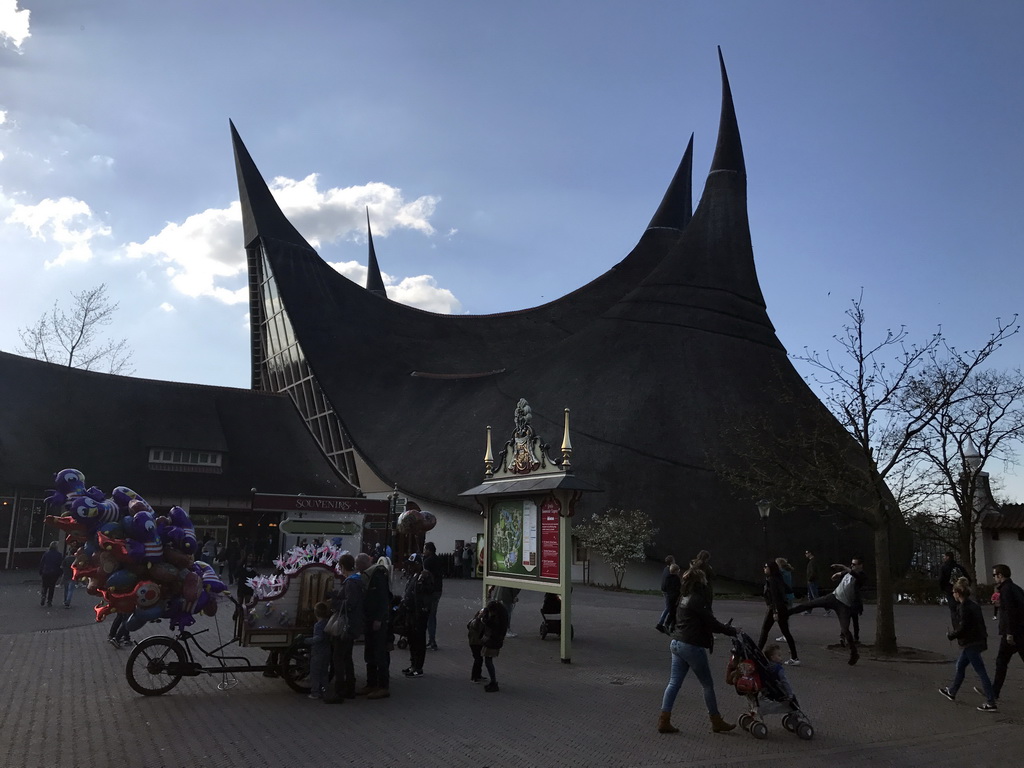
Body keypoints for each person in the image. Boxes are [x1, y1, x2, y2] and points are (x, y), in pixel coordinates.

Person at [658, 562, 738, 735]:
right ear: (699, 581)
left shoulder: (683, 597)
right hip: (691, 645)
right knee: (707, 684)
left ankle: (664, 719)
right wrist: (731, 630)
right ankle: (716, 720)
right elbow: (711, 622)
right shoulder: (698, 599)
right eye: (703, 579)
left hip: (677, 643)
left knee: (673, 683)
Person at [939, 577, 997, 711]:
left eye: (954, 592)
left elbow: (963, 627)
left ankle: (991, 701)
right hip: (977, 640)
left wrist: (951, 635)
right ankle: (952, 691)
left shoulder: (964, 607)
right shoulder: (973, 605)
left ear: (958, 593)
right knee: (960, 665)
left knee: (980, 671)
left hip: (971, 642)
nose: (953, 595)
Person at [788, 561, 859, 665]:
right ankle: (787, 613)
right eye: (851, 564)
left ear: (860, 565)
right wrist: (837, 574)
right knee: (811, 603)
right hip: (834, 597)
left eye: (854, 564)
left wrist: (841, 566)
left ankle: (854, 653)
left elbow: (854, 574)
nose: (852, 566)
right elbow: (844, 573)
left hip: (844, 605)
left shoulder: (861, 575)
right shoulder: (847, 572)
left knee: (845, 629)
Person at [324, 553, 364, 703]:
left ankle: (340, 691)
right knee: (346, 657)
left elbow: (350, 604)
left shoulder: (351, 583)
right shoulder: (354, 581)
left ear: (342, 566)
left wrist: (334, 602)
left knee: (338, 657)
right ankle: (350, 688)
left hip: (346, 625)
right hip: (352, 624)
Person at [356, 552, 392, 699]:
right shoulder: (369, 575)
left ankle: (383, 686)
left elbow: (384, 599)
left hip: (378, 622)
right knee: (369, 652)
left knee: (379, 653)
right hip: (369, 620)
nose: (357, 568)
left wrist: (379, 618)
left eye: (358, 565)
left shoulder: (377, 575)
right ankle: (371, 683)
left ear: (363, 563)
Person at [989, 563, 1024, 702]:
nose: (994, 578)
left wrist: (1009, 632)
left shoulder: (1005, 590)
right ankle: (994, 692)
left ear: (1000, 575)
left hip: (1012, 633)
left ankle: (994, 693)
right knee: (1002, 661)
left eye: (994, 575)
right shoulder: (1016, 588)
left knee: (1001, 662)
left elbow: (1010, 612)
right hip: (1021, 631)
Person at [758, 561, 799, 665]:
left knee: (764, 630)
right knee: (786, 632)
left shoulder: (771, 580)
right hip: (782, 608)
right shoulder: (778, 578)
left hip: (774, 609)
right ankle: (795, 657)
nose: (764, 568)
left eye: (766, 567)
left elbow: (774, 597)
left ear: (771, 569)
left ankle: (757, 653)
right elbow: (788, 589)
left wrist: (775, 611)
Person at [401, 554, 434, 678]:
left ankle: (418, 667)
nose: (410, 567)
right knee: (411, 639)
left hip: (419, 614)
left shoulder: (424, 576)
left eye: (412, 564)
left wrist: (422, 610)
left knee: (419, 640)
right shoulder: (413, 576)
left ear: (419, 564)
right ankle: (413, 664)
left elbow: (428, 593)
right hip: (410, 613)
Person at [479, 599, 509, 692]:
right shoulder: (501, 614)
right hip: (495, 640)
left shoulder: (495, 620)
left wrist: (483, 617)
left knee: (488, 661)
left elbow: (489, 623)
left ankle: (493, 681)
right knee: (488, 661)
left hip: (492, 641)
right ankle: (493, 681)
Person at [305, 601, 331, 699]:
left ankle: (315, 692)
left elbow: (318, 638)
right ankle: (325, 690)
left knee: (315, 673)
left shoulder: (318, 625)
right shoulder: (328, 623)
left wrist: (306, 640)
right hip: (327, 651)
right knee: (324, 672)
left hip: (318, 652)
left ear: (316, 613)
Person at [421, 542, 444, 650]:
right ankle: (432, 639)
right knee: (432, 614)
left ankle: (431, 640)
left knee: (429, 615)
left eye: (425, 549)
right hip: (438, 589)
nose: (424, 551)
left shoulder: (428, 561)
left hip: (430, 590)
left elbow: (425, 575)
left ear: (429, 550)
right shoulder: (438, 559)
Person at [939, 551, 969, 627]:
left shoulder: (944, 567)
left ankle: (956, 628)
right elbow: (967, 578)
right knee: (963, 607)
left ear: (948, 557)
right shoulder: (959, 567)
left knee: (953, 610)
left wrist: (943, 588)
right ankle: (964, 625)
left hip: (950, 590)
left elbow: (941, 580)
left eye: (944, 556)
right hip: (961, 590)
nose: (944, 558)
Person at [802, 550, 829, 615]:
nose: (805, 554)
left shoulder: (812, 562)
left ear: (810, 553)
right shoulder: (813, 561)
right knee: (811, 597)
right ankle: (808, 611)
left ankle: (827, 609)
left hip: (812, 581)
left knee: (815, 597)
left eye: (806, 553)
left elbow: (813, 572)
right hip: (812, 581)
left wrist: (809, 579)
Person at [656, 555, 677, 633]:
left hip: (664, 590)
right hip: (669, 592)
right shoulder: (670, 572)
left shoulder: (665, 569)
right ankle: (661, 623)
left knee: (669, 607)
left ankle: (667, 624)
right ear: (672, 562)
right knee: (669, 608)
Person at [38, 542, 63, 607]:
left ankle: (43, 596)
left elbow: (42, 563)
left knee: (44, 586)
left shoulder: (46, 554)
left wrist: (41, 571)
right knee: (52, 587)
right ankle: (49, 601)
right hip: (54, 573)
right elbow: (60, 564)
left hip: (46, 572)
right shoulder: (59, 555)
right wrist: (60, 573)